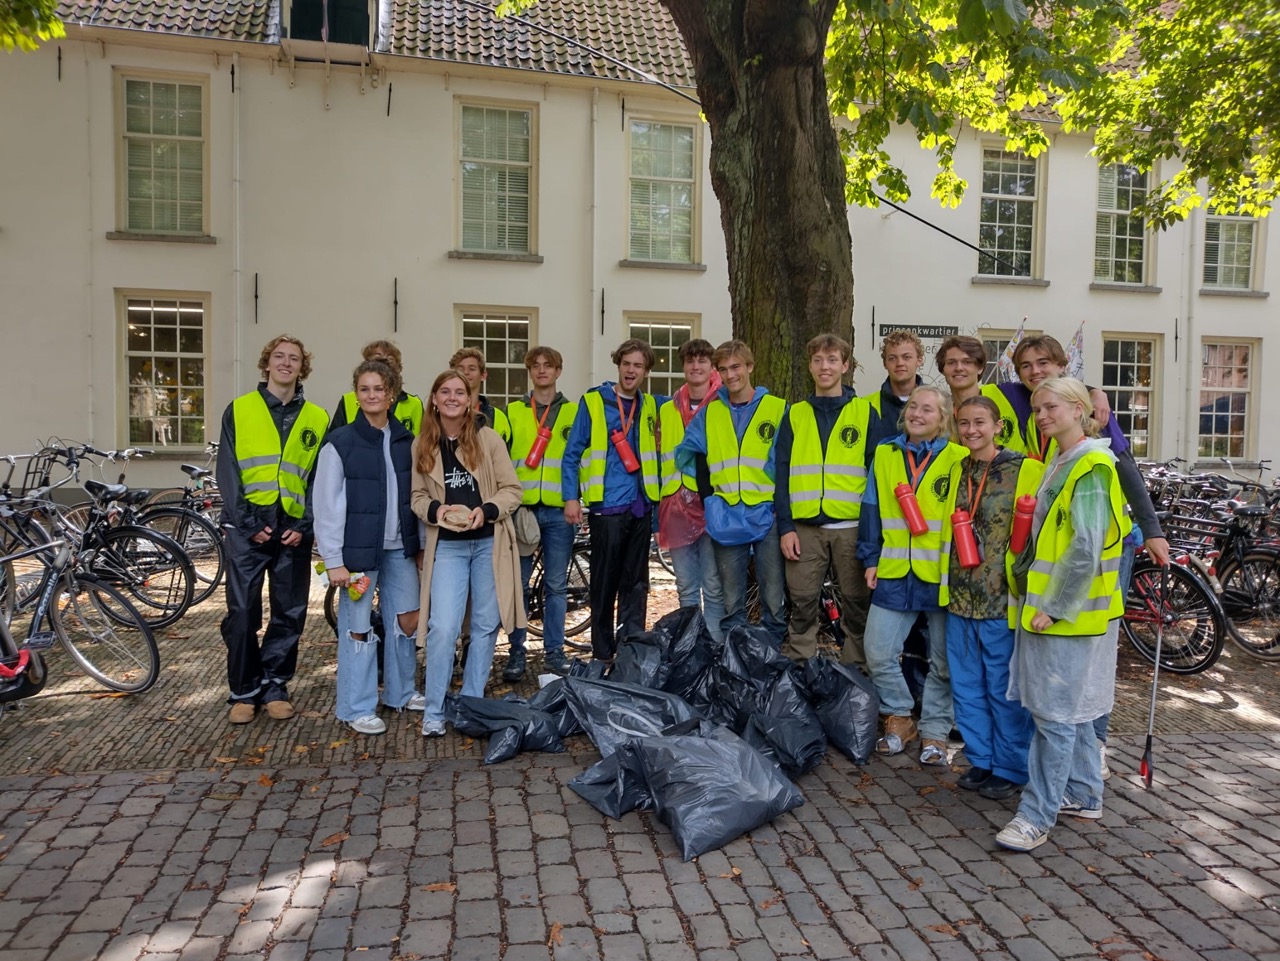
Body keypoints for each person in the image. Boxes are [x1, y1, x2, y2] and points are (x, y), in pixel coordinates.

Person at [998, 334, 1170, 779]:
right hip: (1052, 546)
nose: (1035, 371)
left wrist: (1152, 529)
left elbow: (1125, 466)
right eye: (1025, 366)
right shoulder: (1027, 406)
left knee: (1092, 650)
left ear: (1063, 365)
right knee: (1062, 662)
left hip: (1095, 544)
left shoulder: (1088, 421)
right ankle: (1076, 765)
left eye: (1043, 362)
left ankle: (1092, 749)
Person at [996, 377, 1130, 852]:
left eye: (1051, 407)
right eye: (1036, 410)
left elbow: (1086, 548)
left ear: (1078, 409)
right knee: (1069, 713)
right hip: (1072, 613)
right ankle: (1082, 793)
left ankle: (1036, 815)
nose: (1042, 416)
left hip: (1068, 615)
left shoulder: (1090, 466)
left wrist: (1053, 608)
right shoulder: (1063, 460)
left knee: (1052, 716)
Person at [216, 335, 329, 724]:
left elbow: (318, 477)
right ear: (266, 364)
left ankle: (275, 684)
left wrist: (305, 523)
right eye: (279, 357)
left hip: (293, 530)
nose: (285, 363)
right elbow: (228, 471)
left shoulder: (317, 417)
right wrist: (247, 523)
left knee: (289, 612)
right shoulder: (240, 409)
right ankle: (243, 691)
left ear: (302, 367)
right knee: (243, 611)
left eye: (293, 358)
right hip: (249, 530)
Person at [858, 384, 968, 763]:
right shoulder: (886, 453)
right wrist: (871, 557)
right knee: (877, 650)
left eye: (928, 410)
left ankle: (935, 730)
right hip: (893, 568)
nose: (918, 414)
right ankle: (900, 716)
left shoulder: (959, 457)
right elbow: (871, 509)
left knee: (943, 660)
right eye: (914, 408)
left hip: (940, 574)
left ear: (943, 419)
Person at [412, 370, 524, 736]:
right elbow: (416, 497)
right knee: (443, 628)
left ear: (470, 399)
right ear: (434, 398)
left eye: (459, 392)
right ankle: (434, 708)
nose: (452, 397)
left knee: (485, 625)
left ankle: (472, 704)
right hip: (447, 547)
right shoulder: (423, 444)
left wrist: (486, 510)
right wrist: (437, 512)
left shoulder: (488, 439)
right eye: (444, 391)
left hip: (489, 544)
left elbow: (512, 489)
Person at [314, 360, 423, 735]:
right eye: (364, 389)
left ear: (392, 393)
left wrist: (420, 545)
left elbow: (416, 498)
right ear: (356, 394)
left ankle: (401, 692)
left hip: (400, 549)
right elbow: (326, 504)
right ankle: (356, 707)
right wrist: (333, 560)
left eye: (379, 388)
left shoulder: (406, 441)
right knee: (358, 628)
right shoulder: (340, 442)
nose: (372, 395)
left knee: (407, 620)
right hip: (358, 555)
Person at [945, 395, 1039, 800]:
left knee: (1003, 687)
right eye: (964, 423)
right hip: (960, 596)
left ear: (998, 425)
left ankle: (1011, 766)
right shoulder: (957, 467)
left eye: (980, 422)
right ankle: (981, 759)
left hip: (1001, 598)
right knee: (966, 685)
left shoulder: (1025, 469)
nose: (971, 431)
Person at [675, 340, 788, 645]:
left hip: (767, 513)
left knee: (773, 600)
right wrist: (709, 498)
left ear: (750, 367)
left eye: (736, 367)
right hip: (725, 514)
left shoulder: (777, 408)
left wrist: (781, 508)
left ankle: (771, 663)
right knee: (731, 603)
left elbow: (787, 461)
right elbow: (694, 455)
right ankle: (735, 662)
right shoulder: (711, 413)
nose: (730, 374)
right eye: (723, 369)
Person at [775, 334, 878, 665]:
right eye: (818, 360)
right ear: (809, 366)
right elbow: (781, 474)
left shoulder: (864, 413)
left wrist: (872, 532)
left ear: (845, 366)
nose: (825, 366)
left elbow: (878, 477)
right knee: (802, 600)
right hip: (805, 528)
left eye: (833, 359)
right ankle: (800, 662)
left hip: (851, 527)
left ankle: (856, 666)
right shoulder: (795, 414)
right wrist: (786, 527)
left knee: (856, 601)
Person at [561, 339, 660, 662]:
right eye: (626, 364)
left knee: (636, 583)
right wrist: (570, 498)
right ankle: (603, 652)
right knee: (604, 582)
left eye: (638, 366)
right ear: (618, 365)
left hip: (640, 504)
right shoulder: (593, 402)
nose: (631, 370)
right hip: (608, 506)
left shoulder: (650, 406)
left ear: (646, 371)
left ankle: (631, 647)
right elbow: (572, 453)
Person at [504, 346, 578, 678]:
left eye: (549, 365)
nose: (543, 370)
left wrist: (576, 498)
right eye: (536, 366)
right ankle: (516, 653)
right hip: (522, 511)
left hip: (559, 512)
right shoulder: (514, 411)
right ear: (529, 372)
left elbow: (581, 459)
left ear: (559, 371)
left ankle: (554, 651)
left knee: (557, 585)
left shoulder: (574, 412)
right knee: (518, 585)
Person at [657, 339, 726, 642]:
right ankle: (689, 644)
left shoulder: (723, 405)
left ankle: (713, 643)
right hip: (676, 502)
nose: (696, 367)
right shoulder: (668, 408)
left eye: (702, 361)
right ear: (683, 366)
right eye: (690, 361)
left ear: (712, 367)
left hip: (712, 500)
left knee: (712, 582)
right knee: (685, 583)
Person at [330, 340, 424, 435]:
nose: (383, 372)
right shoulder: (347, 401)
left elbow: (422, 443)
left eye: (389, 365)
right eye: (377, 365)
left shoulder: (414, 404)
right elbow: (335, 439)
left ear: (398, 369)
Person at [865, 330, 926, 450]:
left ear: (919, 360)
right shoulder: (866, 405)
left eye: (906, 357)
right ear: (885, 363)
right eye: (892, 358)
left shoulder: (937, 404)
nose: (900, 363)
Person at [450, 347, 512, 442]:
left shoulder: (497, 416)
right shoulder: (441, 414)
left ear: (483, 375)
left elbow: (502, 455)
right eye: (460, 369)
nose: (466, 372)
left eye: (472, 369)